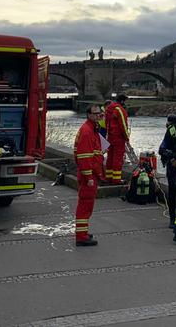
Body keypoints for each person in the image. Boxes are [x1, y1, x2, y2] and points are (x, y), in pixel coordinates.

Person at [73, 104, 105, 247]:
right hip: (89, 175)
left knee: (87, 205)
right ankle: (81, 236)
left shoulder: (91, 129)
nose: (99, 116)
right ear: (89, 115)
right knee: (85, 206)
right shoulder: (87, 131)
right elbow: (84, 157)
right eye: (96, 113)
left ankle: (83, 232)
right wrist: (89, 177)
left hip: (91, 173)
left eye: (100, 113)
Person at [104, 93, 130, 183]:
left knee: (110, 157)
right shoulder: (120, 109)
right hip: (118, 137)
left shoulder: (109, 109)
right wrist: (127, 137)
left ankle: (109, 177)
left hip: (110, 136)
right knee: (118, 158)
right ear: (122, 101)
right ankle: (116, 179)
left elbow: (106, 123)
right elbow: (123, 124)